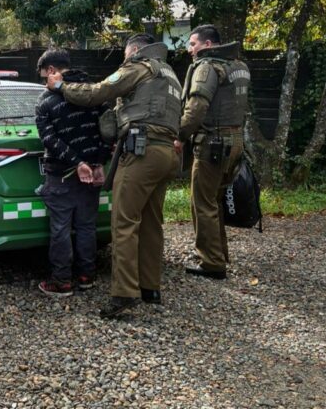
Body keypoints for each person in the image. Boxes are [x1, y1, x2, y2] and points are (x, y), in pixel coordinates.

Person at [47, 34, 182, 318]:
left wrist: (61, 86)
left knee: (124, 223)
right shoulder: (169, 74)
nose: (124, 58)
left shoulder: (138, 67)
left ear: (134, 50)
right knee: (151, 223)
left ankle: (124, 294)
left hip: (142, 153)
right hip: (167, 153)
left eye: (124, 54)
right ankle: (150, 288)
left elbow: (98, 92)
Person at [175, 24, 251, 280]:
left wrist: (179, 135)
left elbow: (196, 109)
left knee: (203, 202)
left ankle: (211, 263)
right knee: (215, 200)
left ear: (207, 45)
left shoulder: (207, 68)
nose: (190, 49)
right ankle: (219, 254)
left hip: (212, 144)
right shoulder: (239, 66)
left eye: (193, 44)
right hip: (235, 142)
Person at [35, 49, 110, 297]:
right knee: (87, 226)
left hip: (61, 174)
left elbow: (49, 139)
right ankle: (87, 276)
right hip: (93, 172)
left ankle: (62, 281)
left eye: (43, 75)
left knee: (60, 227)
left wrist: (77, 163)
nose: (44, 81)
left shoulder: (46, 100)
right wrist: (97, 162)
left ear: (52, 71)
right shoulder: (94, 93)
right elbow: (108, 131)